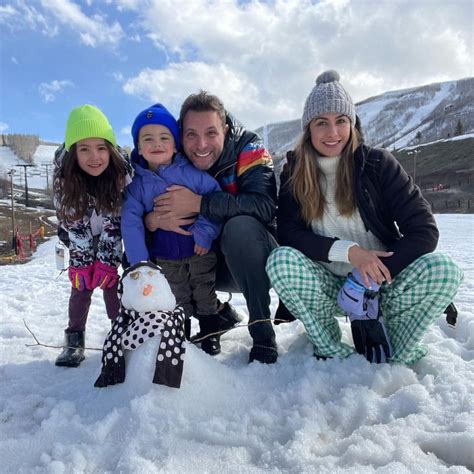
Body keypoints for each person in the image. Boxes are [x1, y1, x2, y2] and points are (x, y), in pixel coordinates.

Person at [266, 70, 463, 365]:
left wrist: (367, 276)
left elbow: (424, 230)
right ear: (309, 129)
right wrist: (351, 253)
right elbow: (290, 234)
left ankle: (397, 345)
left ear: (352, 124)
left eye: (341, 121)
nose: (333, 133)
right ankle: (332, 350)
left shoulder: (378, 164)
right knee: (280, 261)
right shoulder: (295, 173)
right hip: (328, 285)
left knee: (445, 269)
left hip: (382, 283)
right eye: (322, 123)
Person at [144, 91, 279, 364]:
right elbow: (139, 198)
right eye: (191, 134)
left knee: (239, 227)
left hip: (253, 258)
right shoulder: (171, 155)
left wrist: (200, 203)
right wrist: (152, 222)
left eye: (211, 133)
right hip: (200, 255)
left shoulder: (249, 149)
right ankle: (215, 314)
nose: (201, 144)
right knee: (146, 246)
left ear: (225, 130)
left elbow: (264, 206)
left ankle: (263, 331)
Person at [121, 103, 223, 356]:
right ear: (140, 148)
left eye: (164, 137)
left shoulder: (192, 175)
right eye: (148, 139)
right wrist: (139, 262)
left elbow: (215, 201)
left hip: (198, 248)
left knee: (204, 290)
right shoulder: (137, 187)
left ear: (175, 144)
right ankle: (181, 336)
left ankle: (211, 333)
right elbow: (131, 222)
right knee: (176, 295)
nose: (157, 143)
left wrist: (204, 232)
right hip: (165, 254)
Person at [54, 104, 131, 368]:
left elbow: (115, 222)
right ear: (73, 152)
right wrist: (83, 261)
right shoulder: (63, 178)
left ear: (110, 149)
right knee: (81, 284)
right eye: (84, 149)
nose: (94, 157)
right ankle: (74, 338)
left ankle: (121, 332)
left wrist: (107, 261)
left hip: (111, 231)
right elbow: (74, 225)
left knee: (110, 282)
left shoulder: (121, 174)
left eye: (100, 148)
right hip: (77, 235)